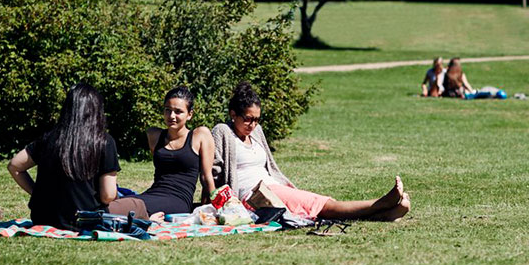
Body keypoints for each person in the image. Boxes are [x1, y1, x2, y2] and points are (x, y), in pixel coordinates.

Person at [212, 82, 410, 221]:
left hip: (273, 188)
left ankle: (385, 214)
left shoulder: (257, 132)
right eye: (247, 118)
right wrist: (215, 203)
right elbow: (212, 172)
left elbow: (270, 167)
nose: (252, 124)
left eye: (256, 119)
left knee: (321, 206)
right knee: (323, 206)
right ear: (233, 114)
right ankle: (380, 203)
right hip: (253, 196)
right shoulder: (223, 132)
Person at [7, 83, 138, 230]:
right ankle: (154, 219)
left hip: (42, 218)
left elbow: (15, 166)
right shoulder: (104, 141)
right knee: (137, 205)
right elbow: (107, 196)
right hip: (86, 220)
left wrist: (37, 193)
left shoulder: (49, 138)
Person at [133, 86, 215, 217]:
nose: (172, 116)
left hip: (179, 200)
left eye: (178, 111)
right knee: (119, 203)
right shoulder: (154, 135)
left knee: (129, 207)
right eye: (168, 110)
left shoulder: (200, 135)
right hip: (153, 194)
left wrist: (213, 209)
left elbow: (206, 177)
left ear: (190, 114)